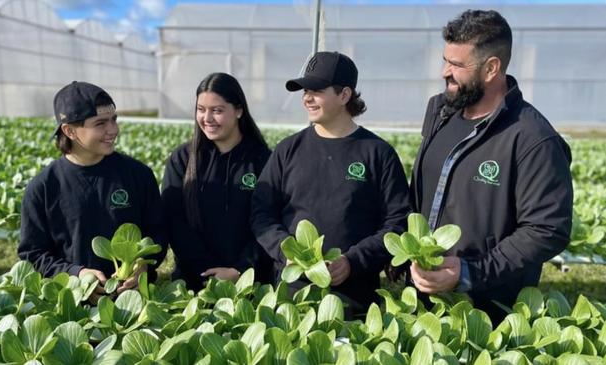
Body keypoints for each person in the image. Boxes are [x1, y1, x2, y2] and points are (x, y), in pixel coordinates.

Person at [409, 10, 573, 323]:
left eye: (457, 65)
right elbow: (424, 189)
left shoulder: (533, 138)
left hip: (486, 309)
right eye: (446, 60)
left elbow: (547, 228)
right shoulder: (440, 110)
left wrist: (469, 272)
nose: (445, 72)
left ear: (491, 68)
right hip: (421, 297)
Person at [251, 52, 411, 315]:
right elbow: (261, 213)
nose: (306, 98)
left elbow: (397, 221)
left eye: (316, 90)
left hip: (354, 300)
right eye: (305, 91)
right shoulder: (287, 150)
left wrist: (353, 261)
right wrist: (285, 251)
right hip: (291, 300)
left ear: (344, 95)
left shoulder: (377, 153)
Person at [18, 81, 166, 303]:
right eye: (100, 123)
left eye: (114, 119)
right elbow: (33, 254)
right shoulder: (43, 187)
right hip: (72, 305)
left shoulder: (138, 175)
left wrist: (142, 265)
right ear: (69, 131)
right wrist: (76, 274)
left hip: (136, 302)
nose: (113, 130)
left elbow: (158, 232)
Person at [161, 72, 273, 291]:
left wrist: (242, 269)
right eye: (201, 110)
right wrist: (205, 271)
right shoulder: (183, 159)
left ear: (239, 110)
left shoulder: (263, 160)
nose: (207, 118)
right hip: (192, 282)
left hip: (249, 282)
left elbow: (269, 221)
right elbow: (173, 220)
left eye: (217, 110)